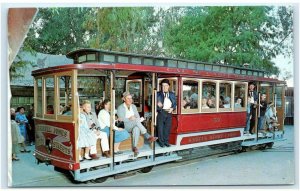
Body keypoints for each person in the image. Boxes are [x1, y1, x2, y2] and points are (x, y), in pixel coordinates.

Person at [117, 92, 158, 156]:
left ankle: (134, 147)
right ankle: (147, 136)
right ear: (124, 99)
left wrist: (134, 118)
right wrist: (130, 118)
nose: (130, 100)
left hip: (134, 124)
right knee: (136, 122)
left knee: (136, 128)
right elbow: (121, 119)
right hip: (124, 126)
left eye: (131, 98)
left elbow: (138, 117)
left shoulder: (133, 106)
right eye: (128, 98)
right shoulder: (120, 107)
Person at [156, 79, 177, 147]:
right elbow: (150, 102)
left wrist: (172, 108)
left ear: (168, 86)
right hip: (161, 112)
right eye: (163, 86)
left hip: (169, 113)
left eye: (166, 86)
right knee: (160, 128)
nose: (164, 87)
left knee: (167, 128)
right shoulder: (157, 94)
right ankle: (161, 142)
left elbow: (174, 104)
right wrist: (156, 103)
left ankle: (166, 141)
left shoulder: (172, 94)